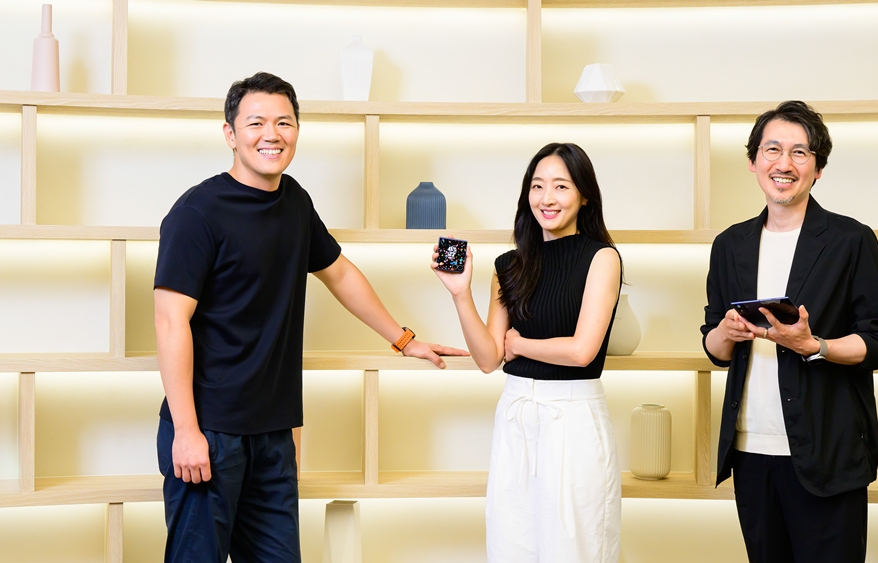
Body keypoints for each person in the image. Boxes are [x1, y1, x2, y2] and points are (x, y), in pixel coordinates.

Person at [153, 72, 466, 563]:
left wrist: (406, 340)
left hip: (274, 434)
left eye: (284, 122)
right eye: (256, 123)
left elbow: (339, 273)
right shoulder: (197, 213)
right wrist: (187, 431)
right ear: (230, 134)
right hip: (210, 431)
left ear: (297, 130)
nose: (272, 134)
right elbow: (171, 322)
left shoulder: (294, 201)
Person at [701, 100, 878, 563]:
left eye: (800, 152)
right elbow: (714, 346)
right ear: (753, 161)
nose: (784, 163)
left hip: (828, 451)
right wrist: (727, 332)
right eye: (772, 149)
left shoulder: (851, 240)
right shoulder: (730, 245)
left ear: (818, 168)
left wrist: (815, 346)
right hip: (750, 450)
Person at [432, 143, 623, 563]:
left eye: (561, 186)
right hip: (515, 413)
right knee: (511, 544)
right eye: (537, 186)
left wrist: (518, 345)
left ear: (584, 195)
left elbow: (582, 351)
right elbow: (488, 359)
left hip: (572, 418)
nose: (547, 198)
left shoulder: (602, 258)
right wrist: (460, 293)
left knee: (575, 548)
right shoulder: (510, 265)